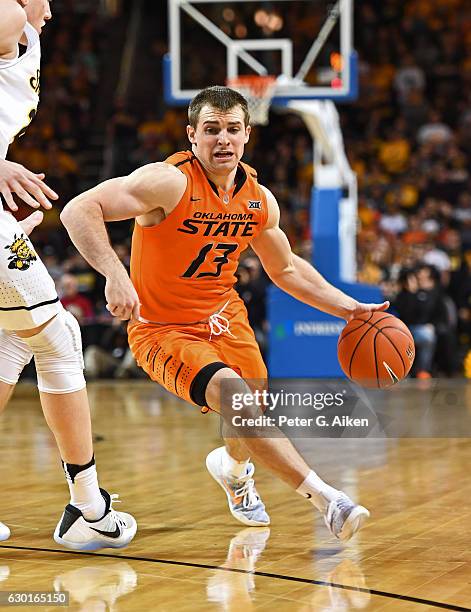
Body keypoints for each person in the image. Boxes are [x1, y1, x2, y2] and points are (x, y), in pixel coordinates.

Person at [61, 86, 389, 542]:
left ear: (247, 135)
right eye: (211, 129)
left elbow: (288, 269)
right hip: (163, 329)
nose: (223, 140)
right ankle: (328, 499)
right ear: (192, 134)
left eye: (232, 129)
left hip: (225, 318)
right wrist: (115, 275)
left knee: (247, 411)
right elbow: (79, 209)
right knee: (234, 396)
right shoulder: (168, 181)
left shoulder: (259, 199)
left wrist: (349, 308)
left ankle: (233, 470)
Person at [0, 0, 136, 550]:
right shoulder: (8, 14)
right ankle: (87, 506)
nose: (51, 10)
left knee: (11, 343)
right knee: (60, 338)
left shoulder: (20, 25)